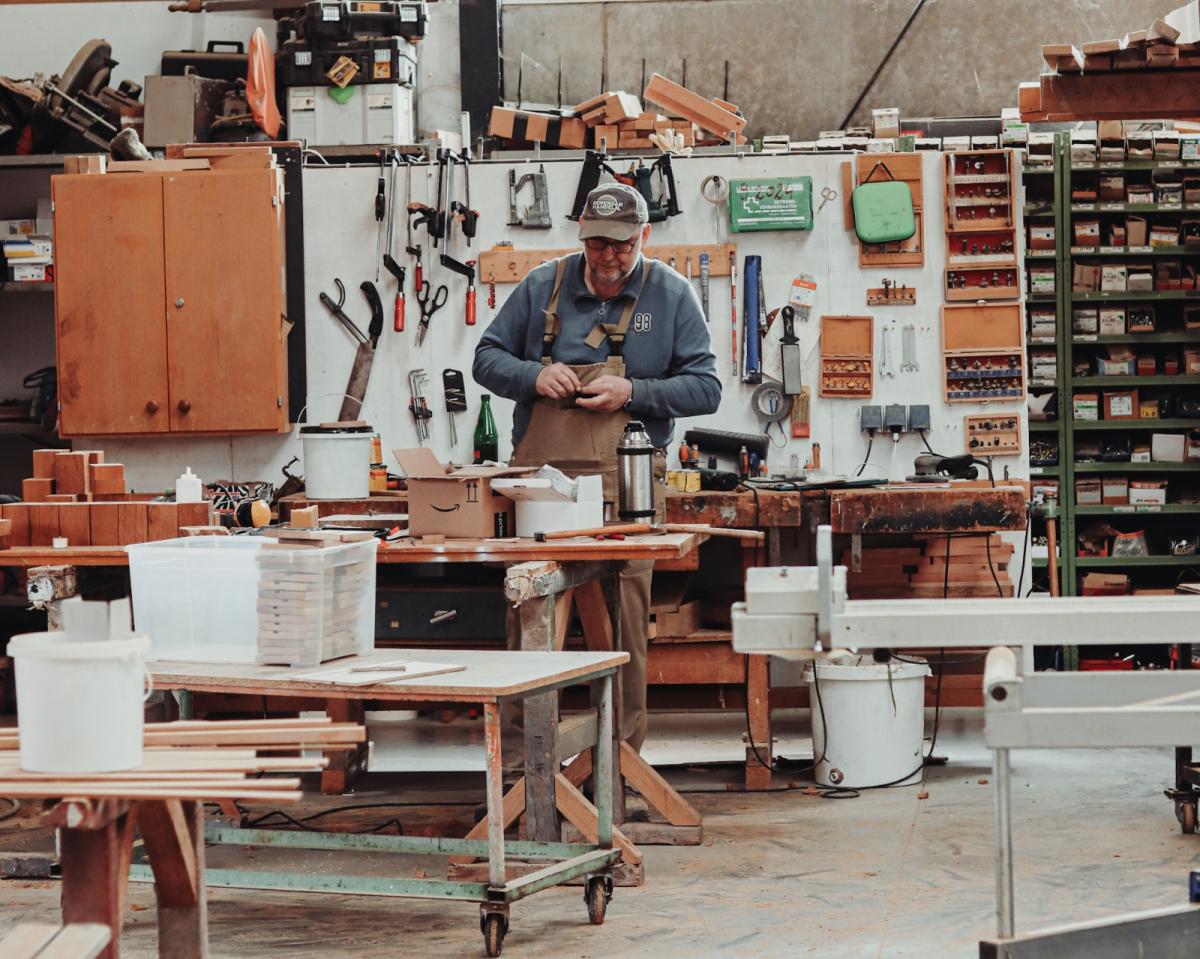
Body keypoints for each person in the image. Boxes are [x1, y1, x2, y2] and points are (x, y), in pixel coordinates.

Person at [473, 182, 721, 753]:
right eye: (597, 243)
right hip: (541, 488)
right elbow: (486, 358)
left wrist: (633, 392)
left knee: (623, 621)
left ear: (645, 235)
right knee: (529, 610)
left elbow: (707, 388)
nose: (609, 256)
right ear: (582, 235)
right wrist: (532, 376)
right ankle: (524, 762)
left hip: (626, 485)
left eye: (622, 244)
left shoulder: (671, 294)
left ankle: (619, 761)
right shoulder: (542, 285)